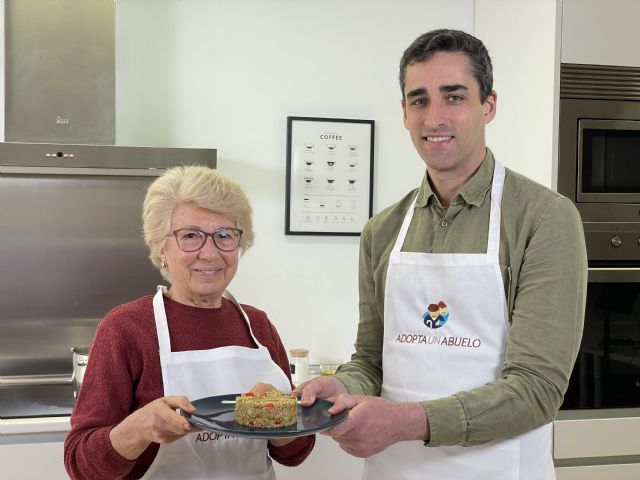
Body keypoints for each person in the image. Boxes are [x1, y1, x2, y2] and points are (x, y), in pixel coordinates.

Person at [295, 29, 587, 480]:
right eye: (419, 100)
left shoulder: (544, 219)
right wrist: (340, 385)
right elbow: (371, 361)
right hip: (395, 470)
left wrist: (403, 422)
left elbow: (537, 389)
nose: (434, 118)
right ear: (404, 113)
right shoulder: (382, 230)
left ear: (488, 105)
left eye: (453, 97)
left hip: (498, 470)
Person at [64, 166, 315, 479]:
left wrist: (280, 418)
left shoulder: (257, 325)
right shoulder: (126, 328)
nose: (209, 253)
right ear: (161, 247)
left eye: (224, 235)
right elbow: (81, 464)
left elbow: (295, 454)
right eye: (191, 236)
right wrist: (140, 429)